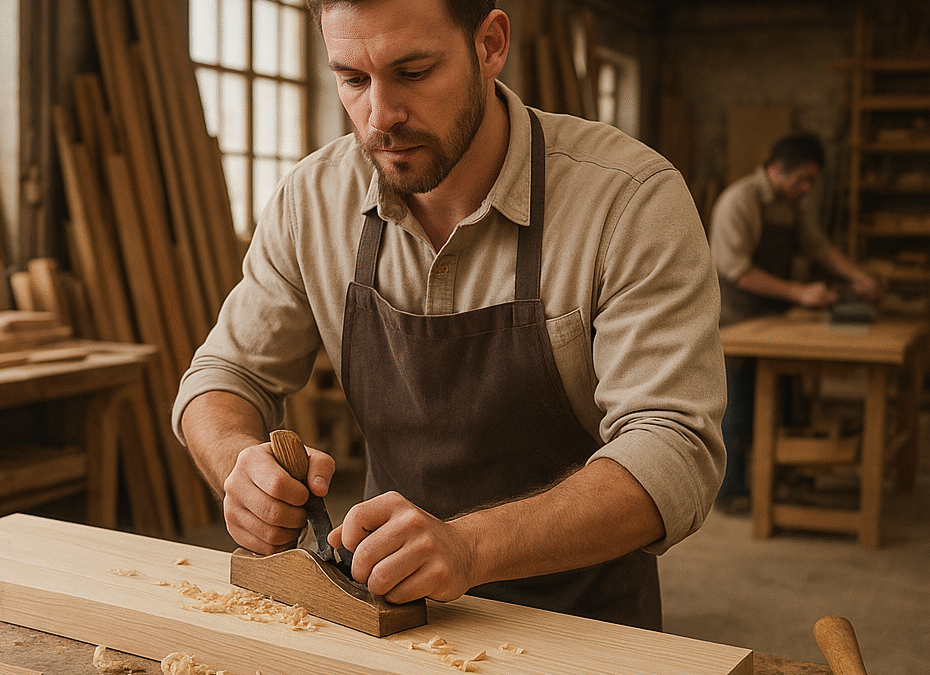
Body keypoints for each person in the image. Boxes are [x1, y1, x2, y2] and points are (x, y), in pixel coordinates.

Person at [174, 0, 726, 631]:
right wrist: (236, 466)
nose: (379, 116)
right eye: (353, 79)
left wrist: (470, 547)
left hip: (584, 625)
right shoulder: (313, 200)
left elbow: (674, 449)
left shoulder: (627, 201)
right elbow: (221, 376)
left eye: (413, 72)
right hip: (387, 610)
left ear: (490, 44)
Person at [708, 133, 881, 509]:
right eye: (802, 179)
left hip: (771, 319)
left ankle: (779, 479)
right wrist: (800, 294)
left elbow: (820, 249)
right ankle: (731, 492)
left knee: (781, 403)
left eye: (812, 182)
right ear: (775, 170)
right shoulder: (739, 202)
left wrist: (858, 277)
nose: (807, 188)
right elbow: (739, 272)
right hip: (734, 322)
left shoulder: (790, 206)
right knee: (736, 409)